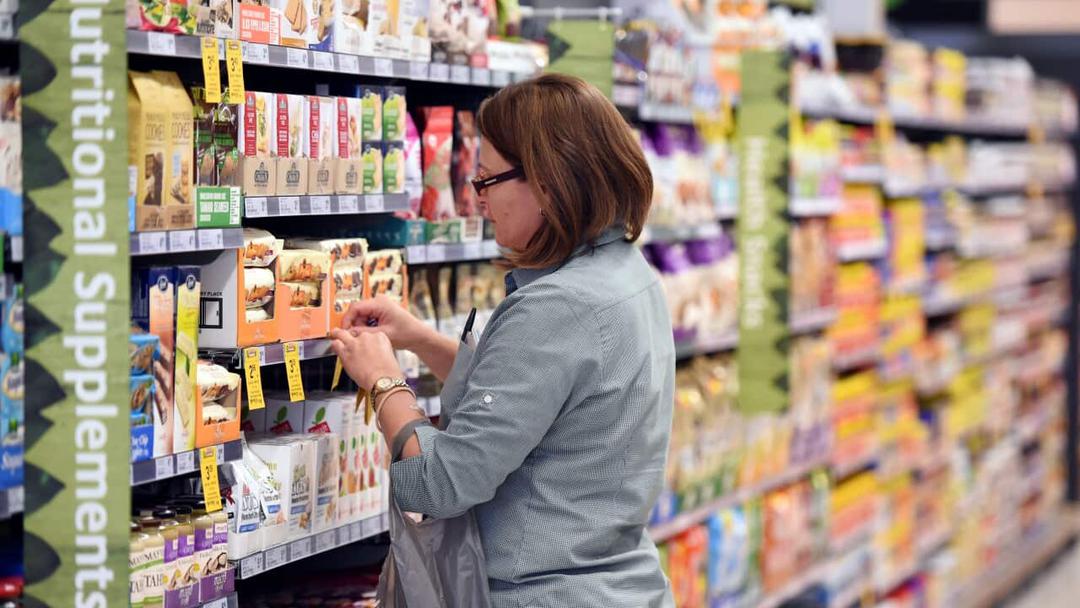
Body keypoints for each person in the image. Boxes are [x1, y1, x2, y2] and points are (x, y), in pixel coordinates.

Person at [330, 73, 676, 607]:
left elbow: (440, 484)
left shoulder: (558, 306)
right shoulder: (626, 274)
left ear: (548, 181)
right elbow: (535, 396)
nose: (477, 200)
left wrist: (384, 382)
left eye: (487, 180)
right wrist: (420, 338)